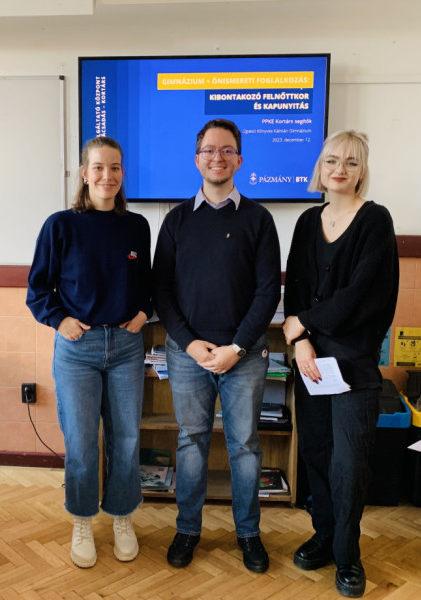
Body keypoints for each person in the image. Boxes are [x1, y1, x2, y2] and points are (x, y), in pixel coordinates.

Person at [152, 119, 281, 573]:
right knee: (191, 442)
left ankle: (248, 534)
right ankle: (188, 528)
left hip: (243, 356)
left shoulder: (259, 220)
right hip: (188, 355)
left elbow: (268, 292)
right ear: (197, 159)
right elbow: (161, 291)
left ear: (239, 160)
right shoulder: (176, 221)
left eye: (227, 150)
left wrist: (236, 348)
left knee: (245, 445)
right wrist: (190, 345)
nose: (217, 158)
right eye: (209, 150)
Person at [26, 136, 152, 569]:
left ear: (122, 173)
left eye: (115, 168)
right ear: (84, 174)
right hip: (77, 349)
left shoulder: (137, 227)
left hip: (126, 348)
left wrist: (144, 312)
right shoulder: (60, 225)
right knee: (81, 442)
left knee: (126, 439)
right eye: (98, 167)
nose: (107, 176)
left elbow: (149, 285)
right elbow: (37, 290)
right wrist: (58, 319)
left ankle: (121, 516)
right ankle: (82, 520)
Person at [283, 130, 399, 598]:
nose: (340, 169)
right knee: (316, 453)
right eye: (332, 160)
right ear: (320, 167)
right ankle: (324, 536)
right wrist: (301, 342)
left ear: (362, 171)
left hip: (353, 366)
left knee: (349, 464)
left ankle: (349, 555)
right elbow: (295, 290)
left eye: (352, 162)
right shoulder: (307, 221)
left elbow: (362, 295)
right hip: (311, 363)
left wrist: (303, 324)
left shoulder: (376, 220)